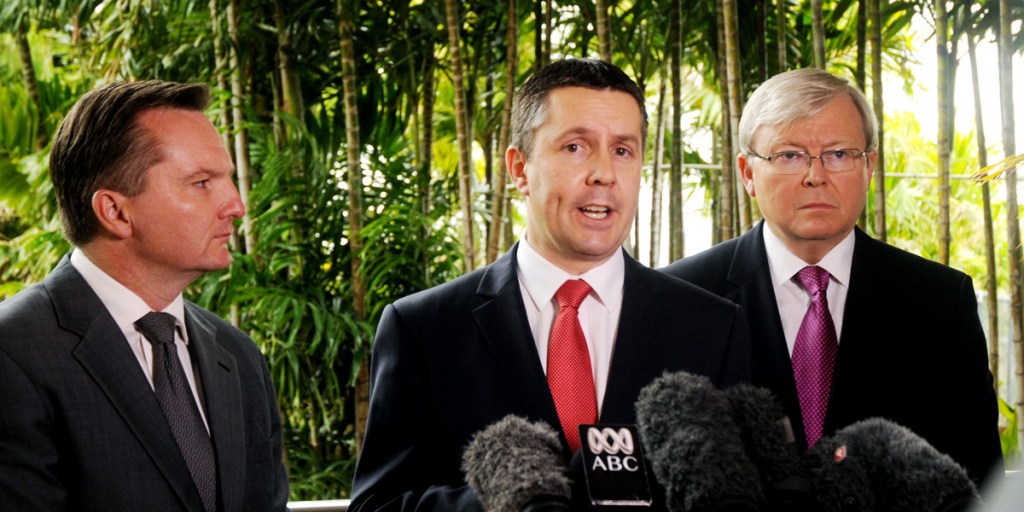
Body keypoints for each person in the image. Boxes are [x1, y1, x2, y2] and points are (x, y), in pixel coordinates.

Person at [350, 58, 752, 511]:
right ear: (519, 168)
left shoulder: (711, 325)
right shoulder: (424, 328)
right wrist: (509, 499)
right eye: (576, 147)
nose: (603, 173)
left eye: (623, 150)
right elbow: (376, 506)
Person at [662, 67, 1003, 485]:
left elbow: (979, 476)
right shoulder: (683, 298)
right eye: (789, 155)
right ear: (748, 173)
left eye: (839, 154)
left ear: (869, 166)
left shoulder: (939, 301)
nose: (815, 175)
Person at [0, 81, 289, 511]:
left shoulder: (238, 354)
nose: (236, 204)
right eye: (202, 182)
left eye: (228, 177)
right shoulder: (13, 353)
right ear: (115, 211)